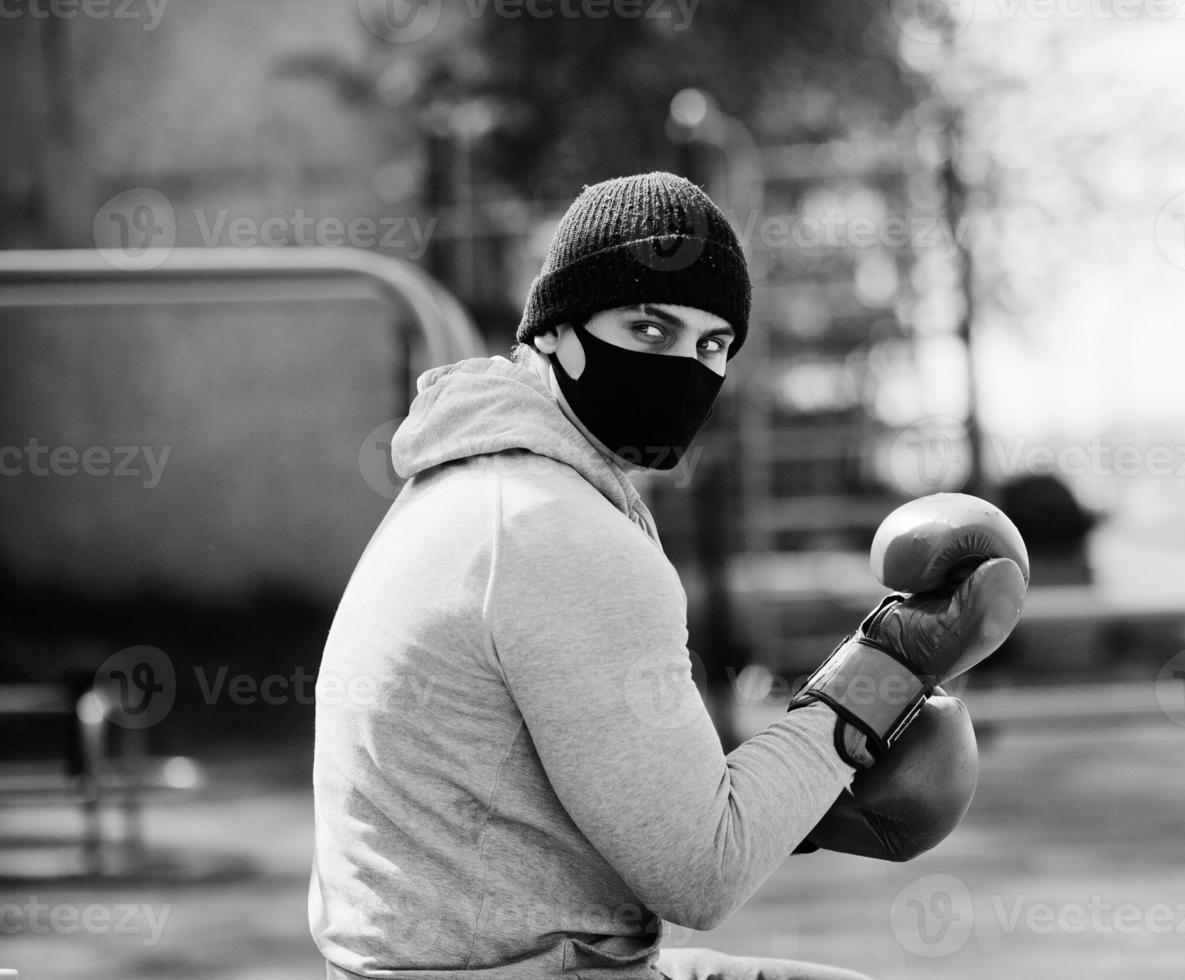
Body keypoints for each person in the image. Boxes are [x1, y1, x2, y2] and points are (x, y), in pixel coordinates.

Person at [309, 172, 1023, 979]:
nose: (685, 366)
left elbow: (626, 798)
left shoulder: (470, 485)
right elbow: (699, 874)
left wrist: (793, 803)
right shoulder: (557, 535)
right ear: (556, 330)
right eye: (650, 329)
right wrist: (889, 668)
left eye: (712, 345)